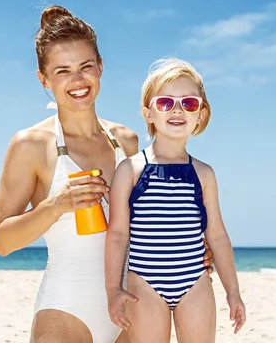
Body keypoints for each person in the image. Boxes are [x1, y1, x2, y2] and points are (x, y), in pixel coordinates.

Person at [0, 6, 213, 343]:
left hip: (133, 307)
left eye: (85, 67)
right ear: (44, 79)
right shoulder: (31, 145)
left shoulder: (126, 141)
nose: (78, 81)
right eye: (63, 71)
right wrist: (57, 205)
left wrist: (189, 249)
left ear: (101, 67)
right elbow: (2, 241)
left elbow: (148, 224)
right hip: (66, 310)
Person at [105, 58, 246, 343]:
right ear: (149, 113)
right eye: (166, 103)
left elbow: (217, 235)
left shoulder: (203, 173)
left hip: (195, 282)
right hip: (144, 283)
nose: (178, 109)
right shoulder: (131, 170)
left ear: (200, 115)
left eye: (189, 103)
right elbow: (118, 233)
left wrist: (233, 292)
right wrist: (112, 289)